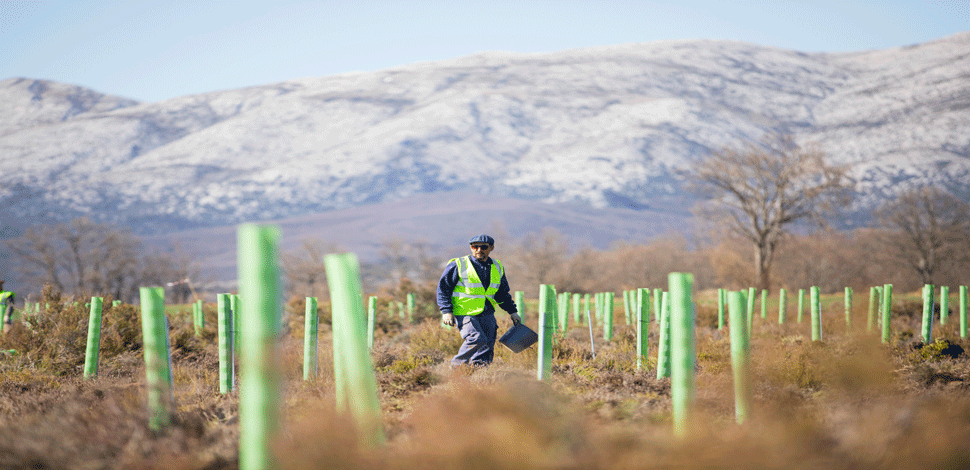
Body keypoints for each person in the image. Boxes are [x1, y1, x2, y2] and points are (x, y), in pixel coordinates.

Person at [437, 234, 521, 367]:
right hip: (464, 310)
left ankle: (480, 372)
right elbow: (443, 288)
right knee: (476, 338)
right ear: (471, 247)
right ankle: (457, 368)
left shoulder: (497, 266)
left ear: (491, 248)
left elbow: (502, 293)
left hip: (486, 311)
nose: (478, 250)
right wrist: (446, 311)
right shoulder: (458, 264)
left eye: (483, 247)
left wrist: (513, 311)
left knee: (488, 342)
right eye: (474, 246)